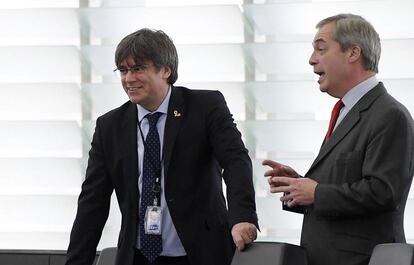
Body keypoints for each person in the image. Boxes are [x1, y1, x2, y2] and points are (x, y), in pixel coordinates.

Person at [65, 28, 258, 265]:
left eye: (138, 69)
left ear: (166, 70)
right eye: (123, 70)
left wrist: (242, 217)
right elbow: (92, 204)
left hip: (198, 254)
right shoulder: (110, 126)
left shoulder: (205, 107)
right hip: (137, 257)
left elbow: (236, 161)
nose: (128, 79)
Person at [263, 14, 414, 265]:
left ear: (353, 53)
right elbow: (344, 185)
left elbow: (384, 192)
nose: (312, 59)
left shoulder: (390, 115)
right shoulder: (346, 111)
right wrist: (300, 187)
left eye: (320, 49)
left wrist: (316, 192)